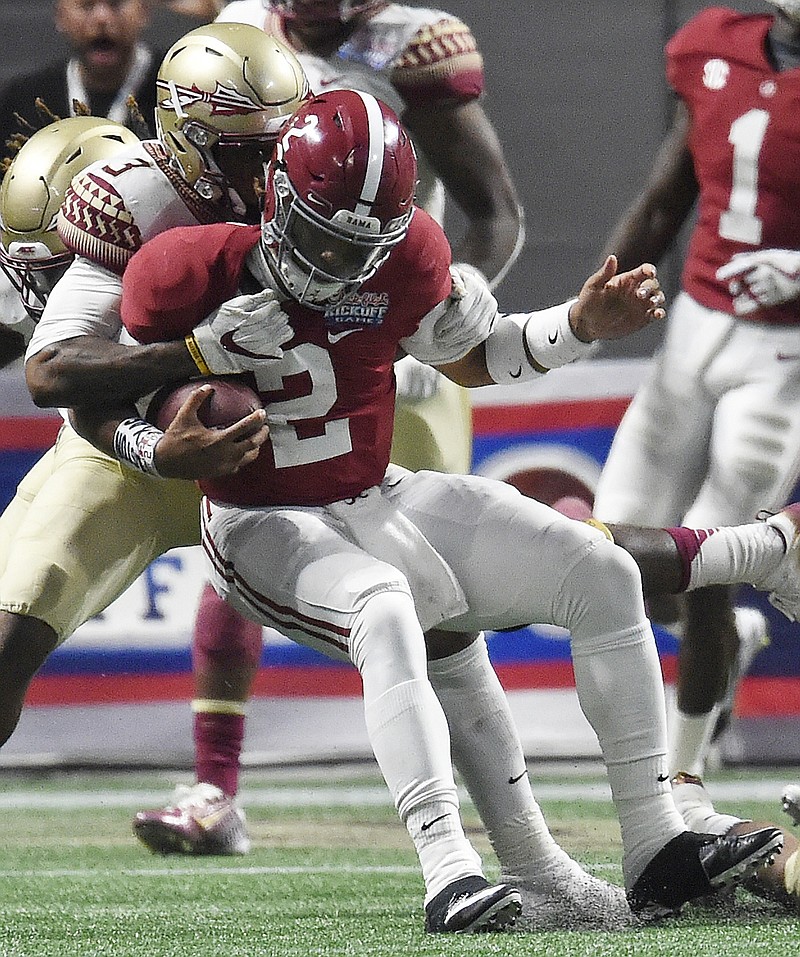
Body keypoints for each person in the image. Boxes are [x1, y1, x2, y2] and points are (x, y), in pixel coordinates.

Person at [110, 88, 792, 923]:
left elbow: (476, 356)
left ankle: (657, 846)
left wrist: (577, 323)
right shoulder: (186, 268)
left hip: (372, 490)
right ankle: (448, 867)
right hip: (258, 522)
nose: (332, 264)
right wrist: (176, 397)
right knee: (386, 608)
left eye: (356, 246)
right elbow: (100, 392)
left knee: (601, 570)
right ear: (274, 194)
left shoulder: (406, 256)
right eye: (321, 236)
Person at [134, 0, 526, 853]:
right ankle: (215, 786)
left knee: (438, 595)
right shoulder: (236, 31)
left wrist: (444, 306)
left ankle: (504, 823)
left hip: (387, 336)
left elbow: (495, 212)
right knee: (243, 532)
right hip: (271, 323)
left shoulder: (414, 44)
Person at [4, 19, 308, 846]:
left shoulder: (311, 168)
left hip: (290, 439)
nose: (271, 165)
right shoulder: (127, 199)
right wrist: (185, 377)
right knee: (6, 634)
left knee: (435, 620)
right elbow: (50, 369)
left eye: (277, 142)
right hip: (134, 448)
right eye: (248, 148)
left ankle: (499, 850)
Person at [590, 0, 800, 859]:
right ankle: (729, 641)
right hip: (695, 332)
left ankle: (681, 783)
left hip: (785, 353)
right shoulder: (711, 42)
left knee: (708, 557)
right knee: (604, 553)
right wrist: (585, 309)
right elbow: (668, 192)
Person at [0, 0, 161, 147]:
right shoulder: (21, 101)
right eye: (87, 5)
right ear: (60, 14)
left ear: (145, 10)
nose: (102, 18)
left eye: (116, 3)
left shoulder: (175, 90)